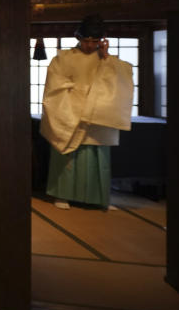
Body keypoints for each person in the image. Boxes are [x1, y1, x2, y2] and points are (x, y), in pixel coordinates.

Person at [39, 15, 133, 210]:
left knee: (97, 154)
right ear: (78, 38)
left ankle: (99, 199)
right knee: (67, 152)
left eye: (94, 41)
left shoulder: (108, 60)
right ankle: (61, 194)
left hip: (97, 112)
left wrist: (107, 59)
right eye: (86, 41)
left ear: (102, 40)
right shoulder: (64, 58)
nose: (90, 45)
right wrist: (79, 98)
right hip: (70, 110)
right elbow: (54, 85)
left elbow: (119, 83)